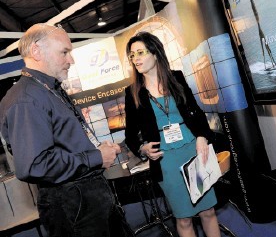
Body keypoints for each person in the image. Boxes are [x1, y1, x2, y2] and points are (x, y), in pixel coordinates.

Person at [0, 23, 132, 237]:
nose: (71, 60)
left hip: (86, 196)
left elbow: (63, 144)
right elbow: (34, 165)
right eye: (64, 52)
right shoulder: (26, 99)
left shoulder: (47, 90)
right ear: (36, 51)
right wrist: (95, 157)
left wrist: (95, 151)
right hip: (72, 203)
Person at [124, 31, 221, 237]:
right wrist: (142, 148)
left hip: (194, 152)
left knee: (208, 211)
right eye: (132, 55)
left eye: (140, 52)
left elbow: (196, 112)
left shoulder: (176, 78)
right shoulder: (132, 92)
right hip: (165, 160)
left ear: (155, 53)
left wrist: (202, 137)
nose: (136, 59)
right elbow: (130, 135)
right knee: (184, 218)